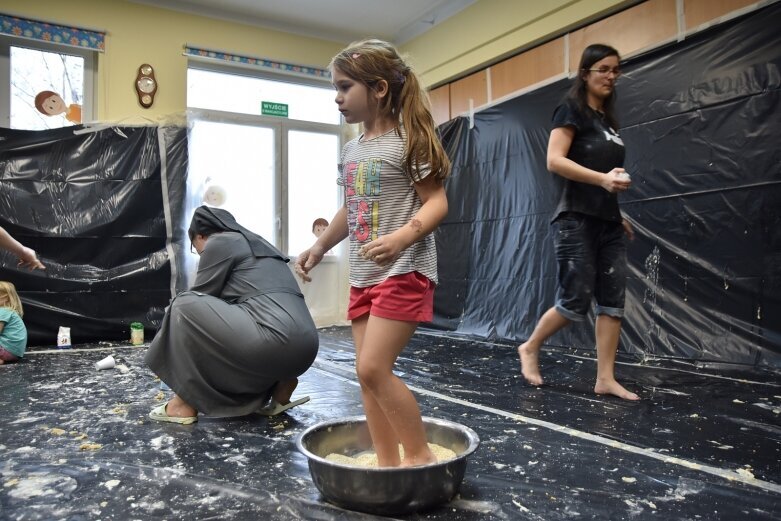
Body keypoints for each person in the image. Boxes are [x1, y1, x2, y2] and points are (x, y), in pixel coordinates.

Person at [295, 39, 451, 467]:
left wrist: (402, 237)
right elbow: (353, 207)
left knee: (372, 369)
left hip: (404, 269)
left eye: (345, 87)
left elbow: (437, 202)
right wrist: (320, 245)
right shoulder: (351, 150)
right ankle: (388, 464)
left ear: (379, 88)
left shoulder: (410, 141)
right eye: (336, 88)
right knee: (367, 378)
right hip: (364, 274)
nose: (337, 97)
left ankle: (419, 458)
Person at [518, 43, 640, 401]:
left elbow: (605, 174)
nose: (611, 76)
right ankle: (530, 346)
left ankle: (605, 378)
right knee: (575, 299)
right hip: (575, 219)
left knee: (613, 301)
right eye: (603, 69)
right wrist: (603, 181)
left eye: (616, 69)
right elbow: (554, 160)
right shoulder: (572, 109)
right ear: (585, 73)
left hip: (608, 221)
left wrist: (618, 212)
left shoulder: (608, 122)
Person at [145, 206, 319, 424]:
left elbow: (200, 299)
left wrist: (167, 357)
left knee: (182, 306)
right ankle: (281, 386)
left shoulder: (220, 241)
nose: (200, 253)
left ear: (200, 235)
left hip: (272, 343)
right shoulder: (263, 247)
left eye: (195, 247)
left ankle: (182, 403)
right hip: (307, 350)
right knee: (243, 323)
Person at [0, 282, 28, 365]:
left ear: (6, 297)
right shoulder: (9, 311)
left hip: (6, 350)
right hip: (15, 353)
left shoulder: (3, 311)